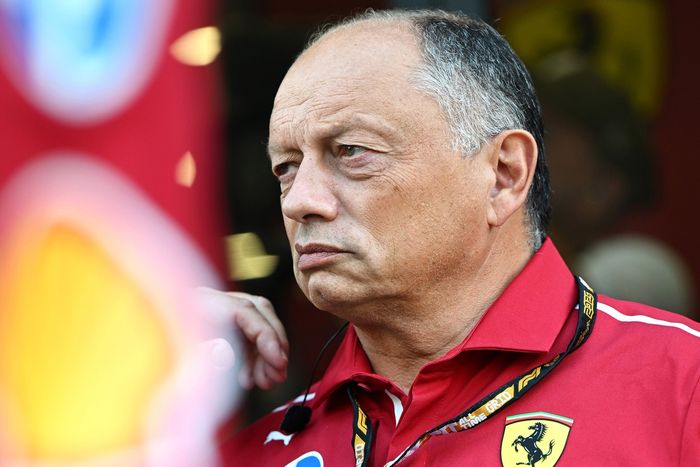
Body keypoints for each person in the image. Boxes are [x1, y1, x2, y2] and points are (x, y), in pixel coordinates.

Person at [212, 9, 700, 466]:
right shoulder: (252, 451)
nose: (299, 201)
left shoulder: (681, 387)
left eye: (352, 151)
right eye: (286, 167)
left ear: (504, 174)